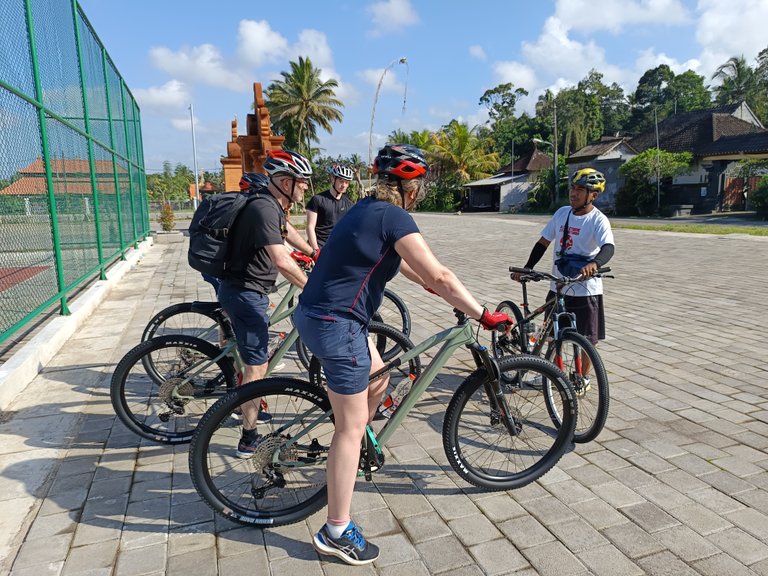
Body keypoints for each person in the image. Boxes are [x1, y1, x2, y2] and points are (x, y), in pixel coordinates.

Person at [292, 144, 512, 566]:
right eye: (421, 184)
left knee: (380, 376)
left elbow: (405, 263)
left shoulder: (364, 208)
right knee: (349, 429)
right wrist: (483, 314)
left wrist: (430, 285)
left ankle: (359, 441)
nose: (422, 191)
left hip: (319, 315)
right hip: (337, 325)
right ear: (409, 186)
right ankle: (336, 529)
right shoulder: (395, 216)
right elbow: (440, 273)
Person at [217, 150, 318, 457]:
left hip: (248, 291)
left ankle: (241, 403)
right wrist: (313, 288)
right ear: (285, 181)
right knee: (256, 367)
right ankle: (248, 437)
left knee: (251, 355)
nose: (305, 189)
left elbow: (289, 234)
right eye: (302, 183)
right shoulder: (263, 207)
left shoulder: (272, 205)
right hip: (245, 294)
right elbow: (280, 258)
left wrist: (315, 253)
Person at [512, 167, 615, 379]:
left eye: (580, 189)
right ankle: (549, 374)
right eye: (572, 188)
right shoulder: (561, 214)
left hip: (585, 289)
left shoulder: (598, 220)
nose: (573, 193)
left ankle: (581, 378)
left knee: (588, 339)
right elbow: (542, 243)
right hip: (557, 285)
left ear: (593, 195)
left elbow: (608, 248)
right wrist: (528, 267)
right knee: (551, 334)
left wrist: (595, 264)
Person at [305, 163, 355, 251]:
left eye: (347, 182)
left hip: (337, 249)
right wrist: (315, 250)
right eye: (341, 181)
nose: (344, 185)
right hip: (319, 246)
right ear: (333, 179)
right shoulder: (317, 199)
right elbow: (310, 227)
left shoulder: (349, 204)